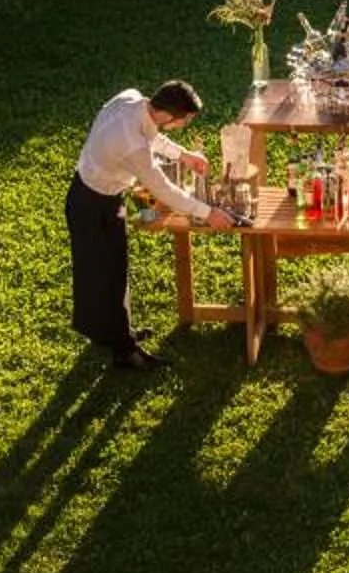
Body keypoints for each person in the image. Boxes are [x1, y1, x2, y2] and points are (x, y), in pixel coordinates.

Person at [69, 80, 237, 371]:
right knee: (104, 273)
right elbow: (163, 189)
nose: (183, 125)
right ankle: (125, 352)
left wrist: (183, 154)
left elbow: (152, 136)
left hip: (103, 196)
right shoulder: (132, 145)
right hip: (91, 203)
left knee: (108, 270)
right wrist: (208, 213)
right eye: (184, 121)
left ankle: (111, 333)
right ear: (168, 116)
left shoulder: (133, 99)